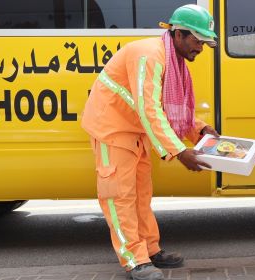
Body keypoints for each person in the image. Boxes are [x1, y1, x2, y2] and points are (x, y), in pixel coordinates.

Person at [81, 4, 219, 280]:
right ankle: (134, 260)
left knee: (141, 197)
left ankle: (150, 250)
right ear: (179, 34)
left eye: (204, 43)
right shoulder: (150, 55)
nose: (200, 49)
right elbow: (150, 109)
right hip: (113, 130)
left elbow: (166, 106)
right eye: (197, 41)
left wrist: (199, 130)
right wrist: (180, 151)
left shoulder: (171, 58)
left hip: (136, 132)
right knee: (120, 198)